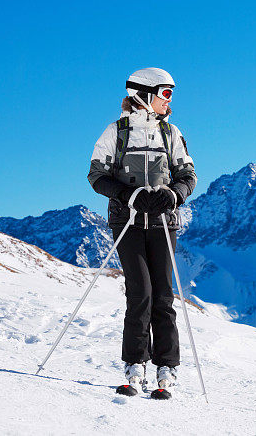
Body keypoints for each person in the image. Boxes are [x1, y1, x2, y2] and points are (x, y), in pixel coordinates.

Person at [87, 67, 197, 397]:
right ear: (144, 95)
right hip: (128, 222)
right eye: (165, 94)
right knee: (141, 293)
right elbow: (96, 175)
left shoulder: (172, 134)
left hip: (163, 223)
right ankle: (135, 365)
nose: (170, 101)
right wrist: (127, 194)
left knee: (163, 294)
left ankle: (167, 367)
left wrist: (174, 194)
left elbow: (188, 175)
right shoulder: (116, 132)